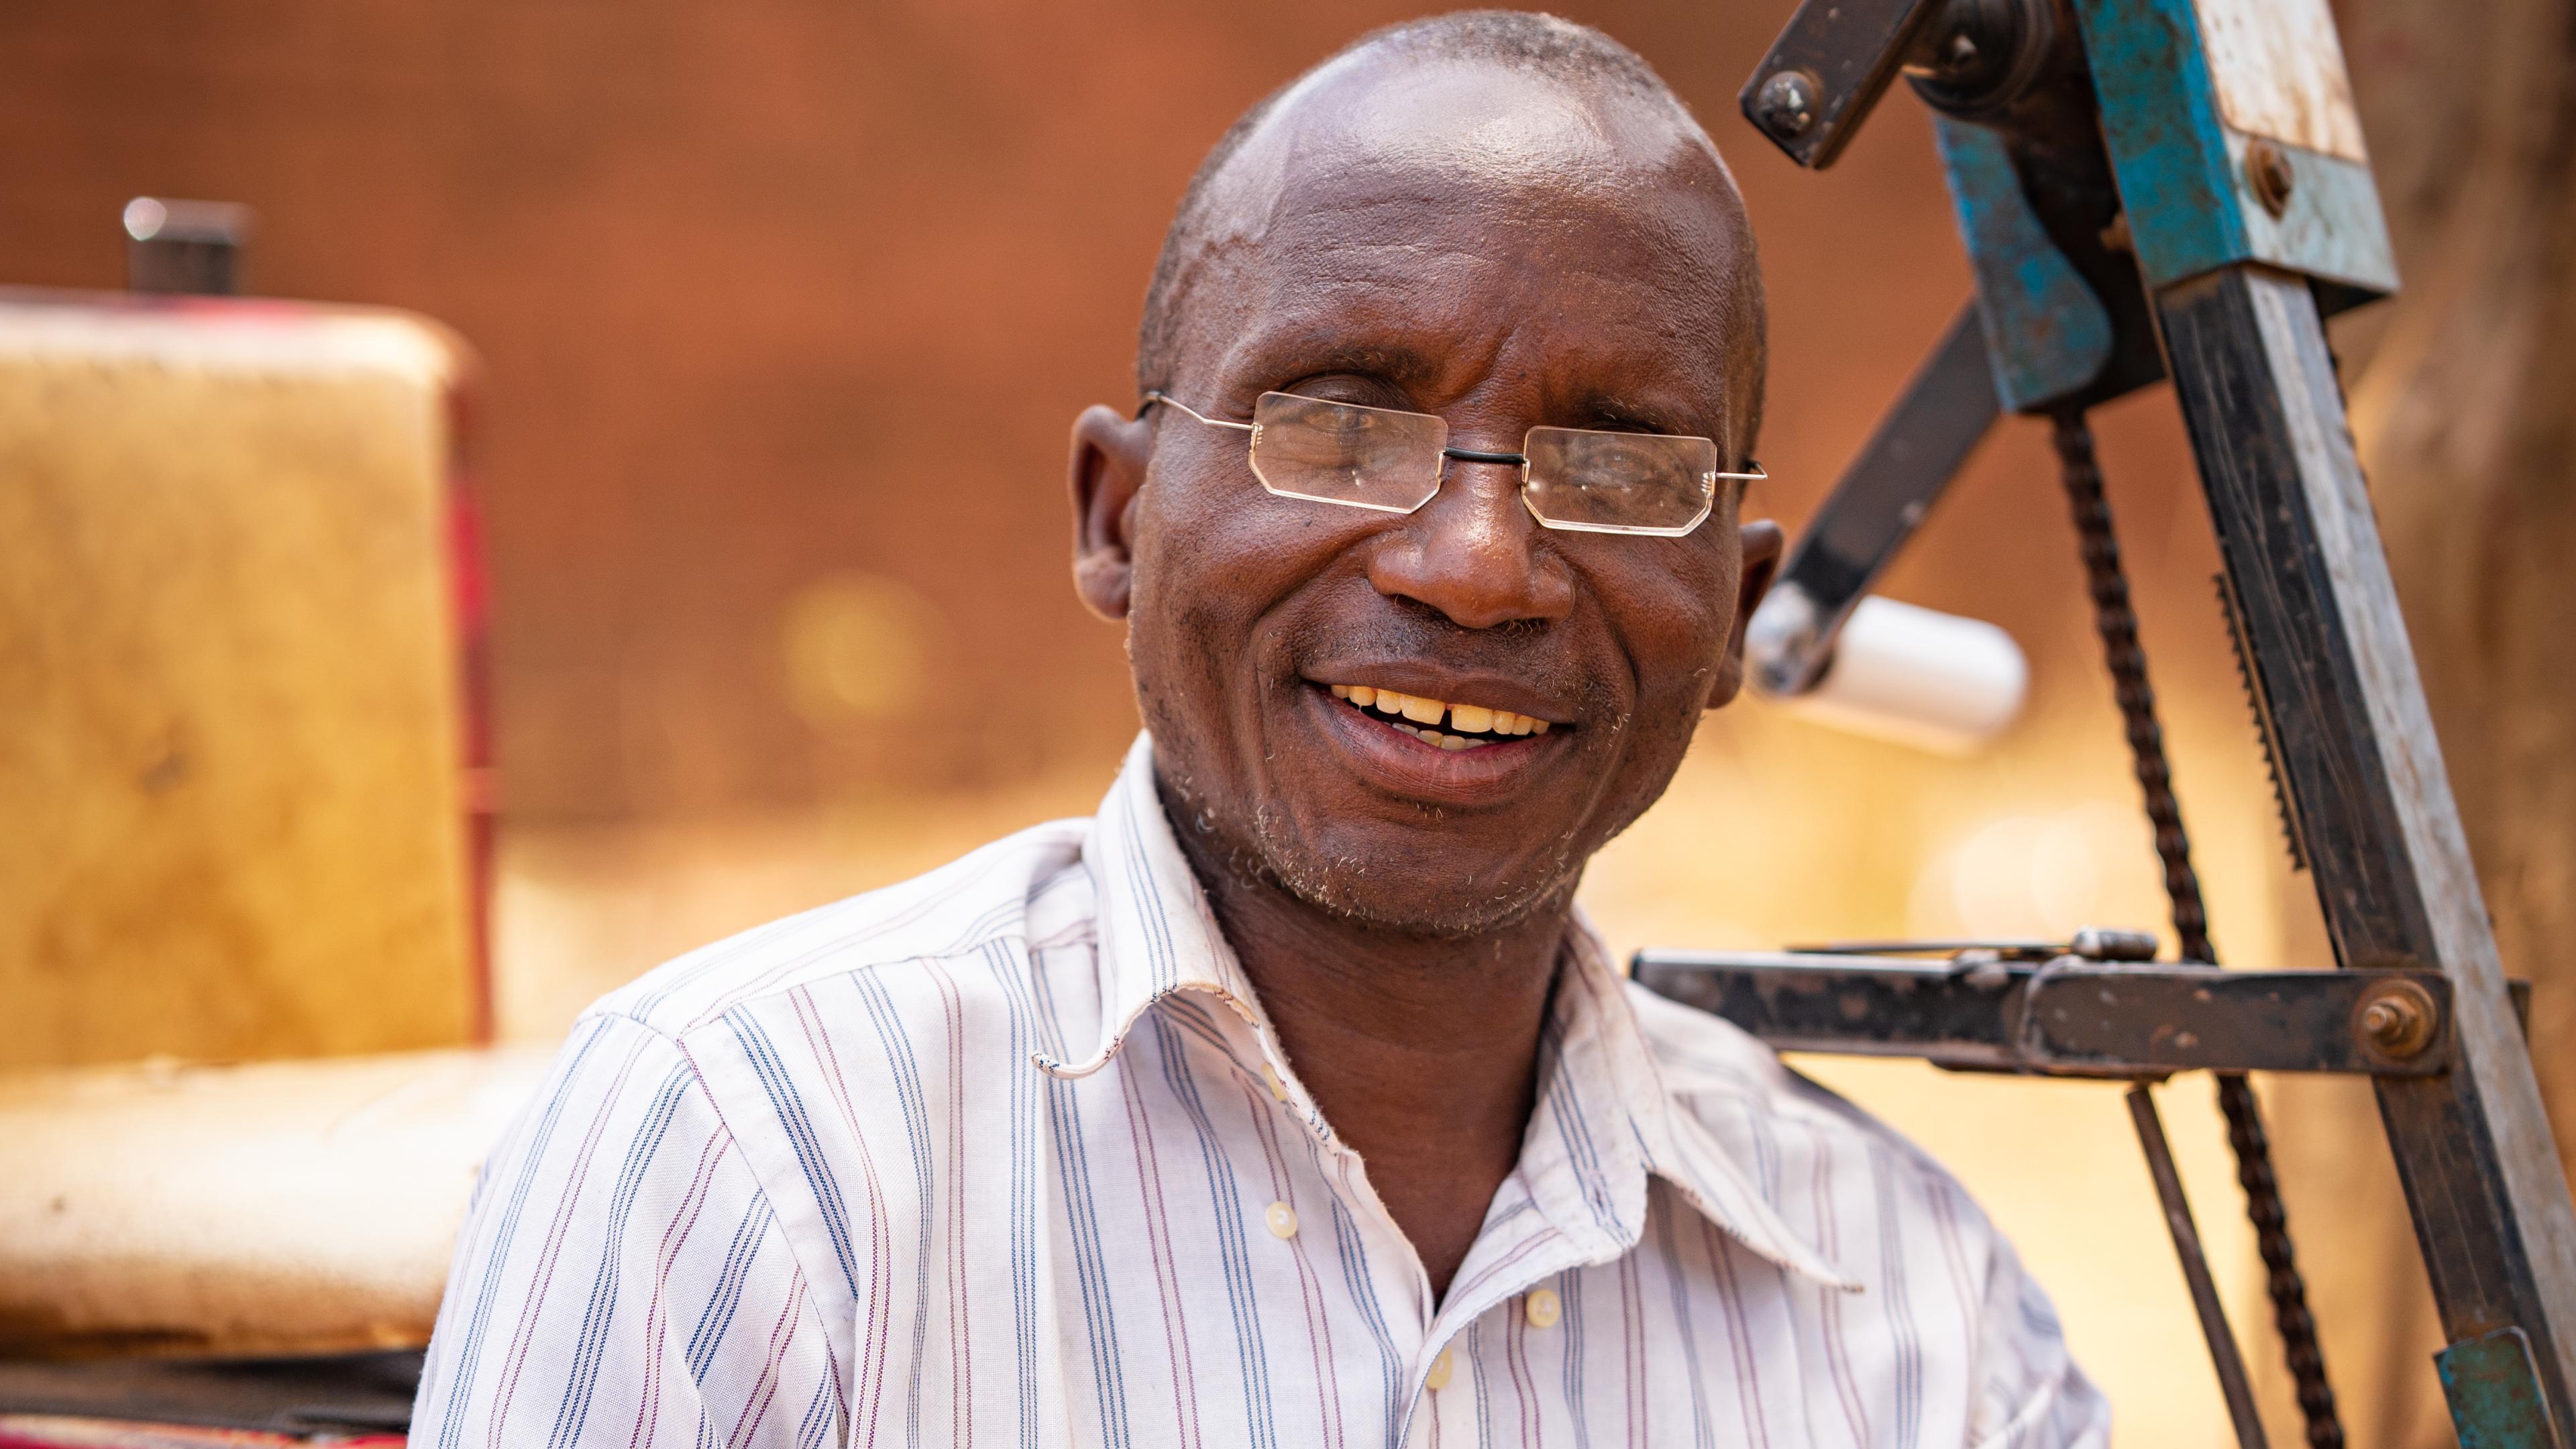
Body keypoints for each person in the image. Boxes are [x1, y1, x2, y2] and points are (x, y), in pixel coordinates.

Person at [412, 12, 2110, 1446]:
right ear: (1117, 519)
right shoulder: (755, 1160)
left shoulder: (1911, 1321)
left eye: (1616, 468)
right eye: (1343, 425)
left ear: (1735, 613)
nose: (1478, 564)